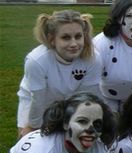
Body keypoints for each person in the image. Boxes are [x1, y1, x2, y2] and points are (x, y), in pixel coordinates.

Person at [16, 10, 102, 139]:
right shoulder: (36, 61)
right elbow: (38, 99)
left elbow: (88, 96)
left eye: (78, 36)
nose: (74, 44)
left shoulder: (93, 59)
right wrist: (32, 127)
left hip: (70, 98)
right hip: (36, 101)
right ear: (52, 40)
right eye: (66, 37)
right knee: (29, 140)